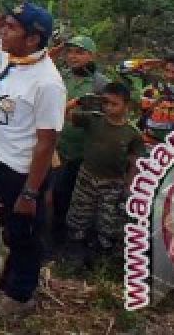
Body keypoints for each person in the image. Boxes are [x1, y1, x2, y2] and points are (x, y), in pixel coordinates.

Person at [0, 1, 66, 318]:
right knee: (9, 231)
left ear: (33, 39)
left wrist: (30, 192)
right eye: (5, 24)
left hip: (24, 173)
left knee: (26, 235)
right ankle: (6, 283)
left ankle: (21, 296)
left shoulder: (48, 83)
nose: (3, 31)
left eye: (12, 27)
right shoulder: (12, 58)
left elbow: (46, 143)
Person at [63, 82, 145, 268]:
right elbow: (60, 114)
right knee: (78, 217)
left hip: (113, 183)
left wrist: (129, 187)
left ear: (127, 106)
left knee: (107, 224)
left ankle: (100, 260)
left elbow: (134, 162)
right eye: (105, 103)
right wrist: (77, 102)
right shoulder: (93, 119)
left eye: (114, 104)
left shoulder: (132, 133)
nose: (108, 107)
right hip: (87, 177)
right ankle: (74, 255)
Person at [49, 35, 108, 244]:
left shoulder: (101, 84)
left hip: (83, 152)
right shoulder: (59, 77)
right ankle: (54, 236)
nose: (73, 57)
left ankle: (73, 242)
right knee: (54, 193)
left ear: (91, 55)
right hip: (56, 147)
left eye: (79, 52)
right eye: (70, 52)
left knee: (75, 198)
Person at [135, 53, 174, 148]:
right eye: (167, 70)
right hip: (148, 145)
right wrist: (155, 62)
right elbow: (121, 68)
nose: (169, 75)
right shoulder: (152, 89)